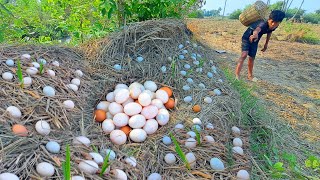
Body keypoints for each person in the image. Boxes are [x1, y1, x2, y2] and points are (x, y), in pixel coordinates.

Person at [235, 10, 285, 81]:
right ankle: (237, 75)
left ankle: (250, 76)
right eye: (272, 21)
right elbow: (257, 29)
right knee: (244, 55)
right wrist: (254, 34)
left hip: (255, 40)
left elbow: (269, 32)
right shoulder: (263, 23)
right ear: (269, 19)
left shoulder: (275, 26)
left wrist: (266, 44)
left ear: (279, 22)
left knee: (252, 57)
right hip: (247, 37)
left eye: (276, 23)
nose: (273, 24)